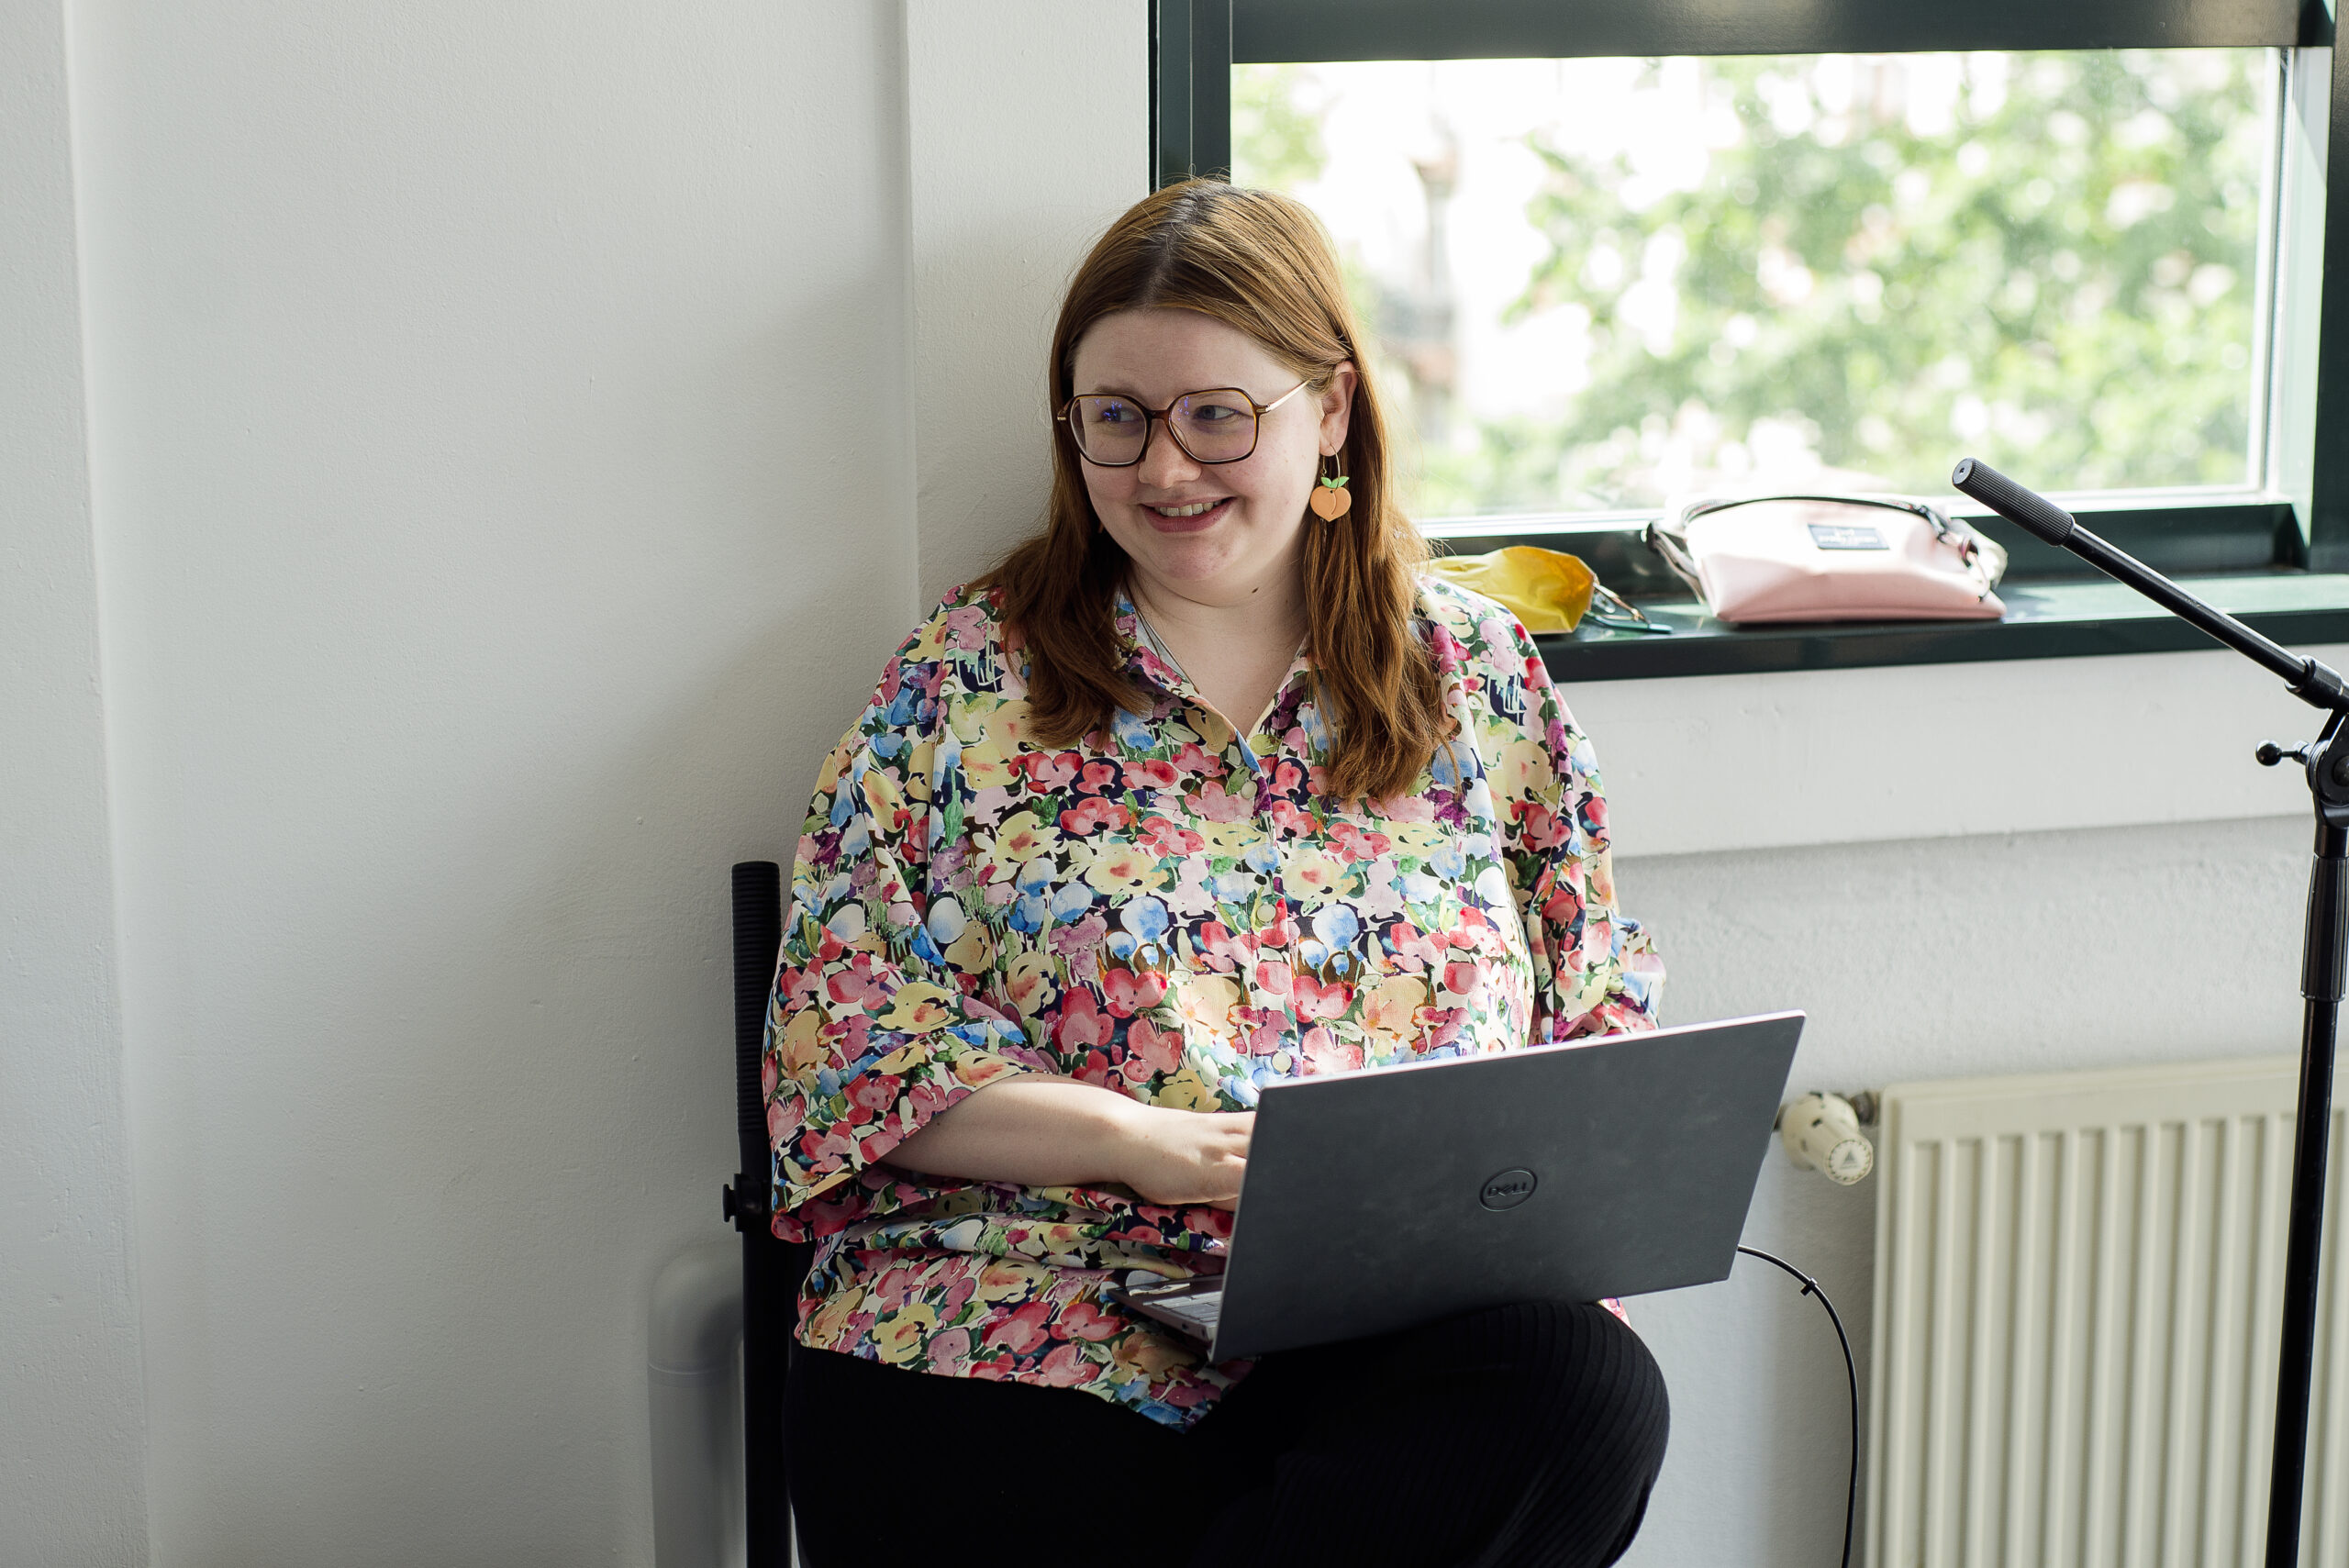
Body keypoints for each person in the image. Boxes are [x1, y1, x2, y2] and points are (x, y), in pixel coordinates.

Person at [764, 178, 1669, 1568]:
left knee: (1583, 1393)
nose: (1165, 469)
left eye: (1216, 416)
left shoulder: (1475, 676)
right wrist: (1141, 1143)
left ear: (1333, 410)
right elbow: (844, 1049)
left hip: (1385, 1326)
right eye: (1117, 418)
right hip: (1016, 1315)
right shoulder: (966, 680)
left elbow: (1592, 1023)